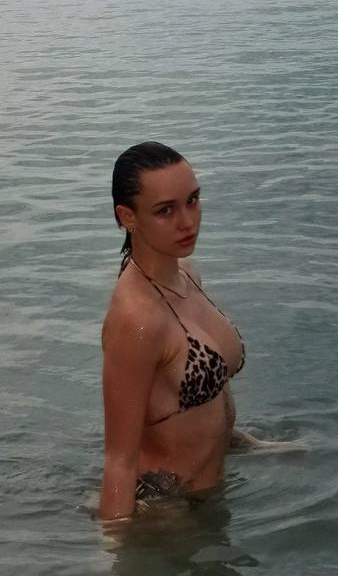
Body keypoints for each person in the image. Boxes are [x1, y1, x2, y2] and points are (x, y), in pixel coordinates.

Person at [99, 141, 293, 522]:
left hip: (213, 490)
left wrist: (253, 446)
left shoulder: (187, 275)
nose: (187, 222)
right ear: (127, 217)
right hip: (167, 511)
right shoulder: (136, 320)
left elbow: (198, 404)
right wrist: (115, 548)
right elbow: (119, 461)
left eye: (193, 200)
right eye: (165, 210)